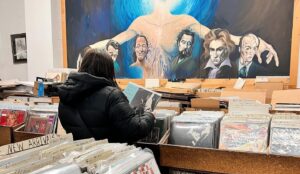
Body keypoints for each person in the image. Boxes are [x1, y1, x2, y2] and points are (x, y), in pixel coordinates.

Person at [88, 0, 279, 78]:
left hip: (172, 92)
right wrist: (88, 50)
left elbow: (216, 37)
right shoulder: (141, 22)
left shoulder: (185, 21)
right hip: (144, 89)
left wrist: (255, 42)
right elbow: (115, 40)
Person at [58, 49, 155, 142]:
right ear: (108, 69)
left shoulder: (66, 93)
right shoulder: (112, 96)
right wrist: (149, 114)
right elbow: (136, 130)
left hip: (79, 154)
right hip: (111, 154)